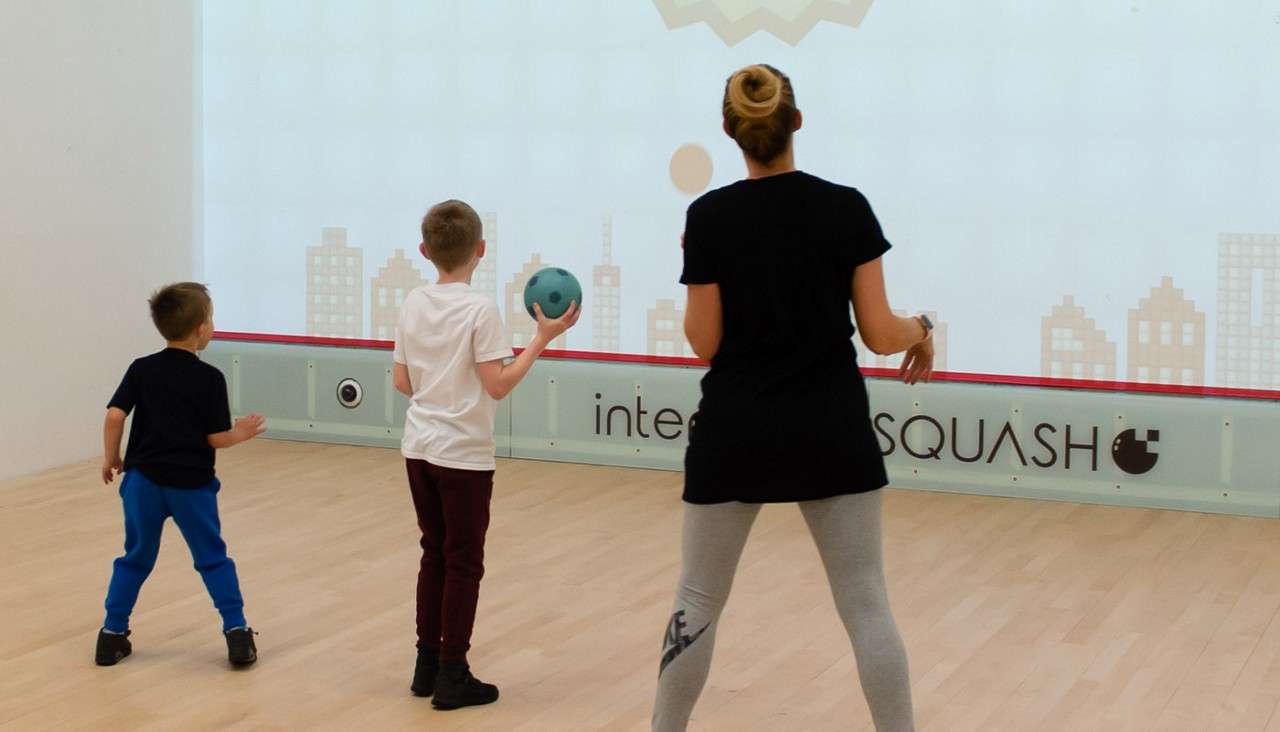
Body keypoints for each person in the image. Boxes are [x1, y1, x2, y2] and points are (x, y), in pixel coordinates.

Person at [652, 64, 933, 732]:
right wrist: (924, 329)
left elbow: (703, 342)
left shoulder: (709, 216)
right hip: (830, 426)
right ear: (797, 122)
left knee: (696, 601)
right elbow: (880, 331)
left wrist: (697, 264)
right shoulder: (847, 208)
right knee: (866, 602)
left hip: (734, 430)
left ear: (730, 132)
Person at [394, 199, 580, 710]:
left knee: (434, 552)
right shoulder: (479, 309)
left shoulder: (412, 302)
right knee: (463, 563)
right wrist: (541, 339)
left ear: (425, 251)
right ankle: (453, 673)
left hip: (419, 448)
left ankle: (426, 666)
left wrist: (439, 398)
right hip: (464, 455)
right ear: (480, 249)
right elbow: (496, 386)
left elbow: (402, 380)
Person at [96, 282, 266, 667]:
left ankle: (110, 636)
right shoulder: (210, 378)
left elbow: (114, 415)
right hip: (192, 487)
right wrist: (241, 432)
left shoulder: (141, 369)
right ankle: (237, 635)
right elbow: (216, 439)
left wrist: (112, 458)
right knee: (212, 559)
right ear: (202, 329)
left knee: (135, 558)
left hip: (142, 484)